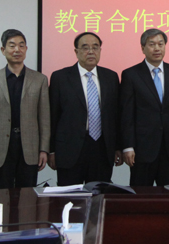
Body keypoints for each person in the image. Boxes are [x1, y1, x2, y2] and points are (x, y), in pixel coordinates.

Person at [0, 29, 50, 189]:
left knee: (27, 196)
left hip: (29, 147)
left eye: (21, 45)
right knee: (0, 194)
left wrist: (43, 149)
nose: (17, 50)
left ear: (26, 49)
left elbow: (44, 119)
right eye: (12, 46)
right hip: (0, 148)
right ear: (3, 50)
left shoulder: (39, 80)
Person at [49, 32, 120, 185]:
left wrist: (117, 147)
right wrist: (52, 150)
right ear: (76, 51)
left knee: (99, 194)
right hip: (69, 148)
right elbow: (53, 116)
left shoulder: (111, 77)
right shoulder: (60, 78)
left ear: (100, 50)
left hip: (102, 148)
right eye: (85, 47)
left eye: (95, 47)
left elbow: (116, 115)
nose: (91, 52)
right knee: (70, 194)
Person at [120, 28, 169, 186]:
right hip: (142, 150)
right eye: (152, 44)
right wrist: (128, 146)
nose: (157, 48)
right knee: (141, 195)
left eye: (160, 44)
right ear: (143, 48)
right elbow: (127, 114)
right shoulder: (131, 75)